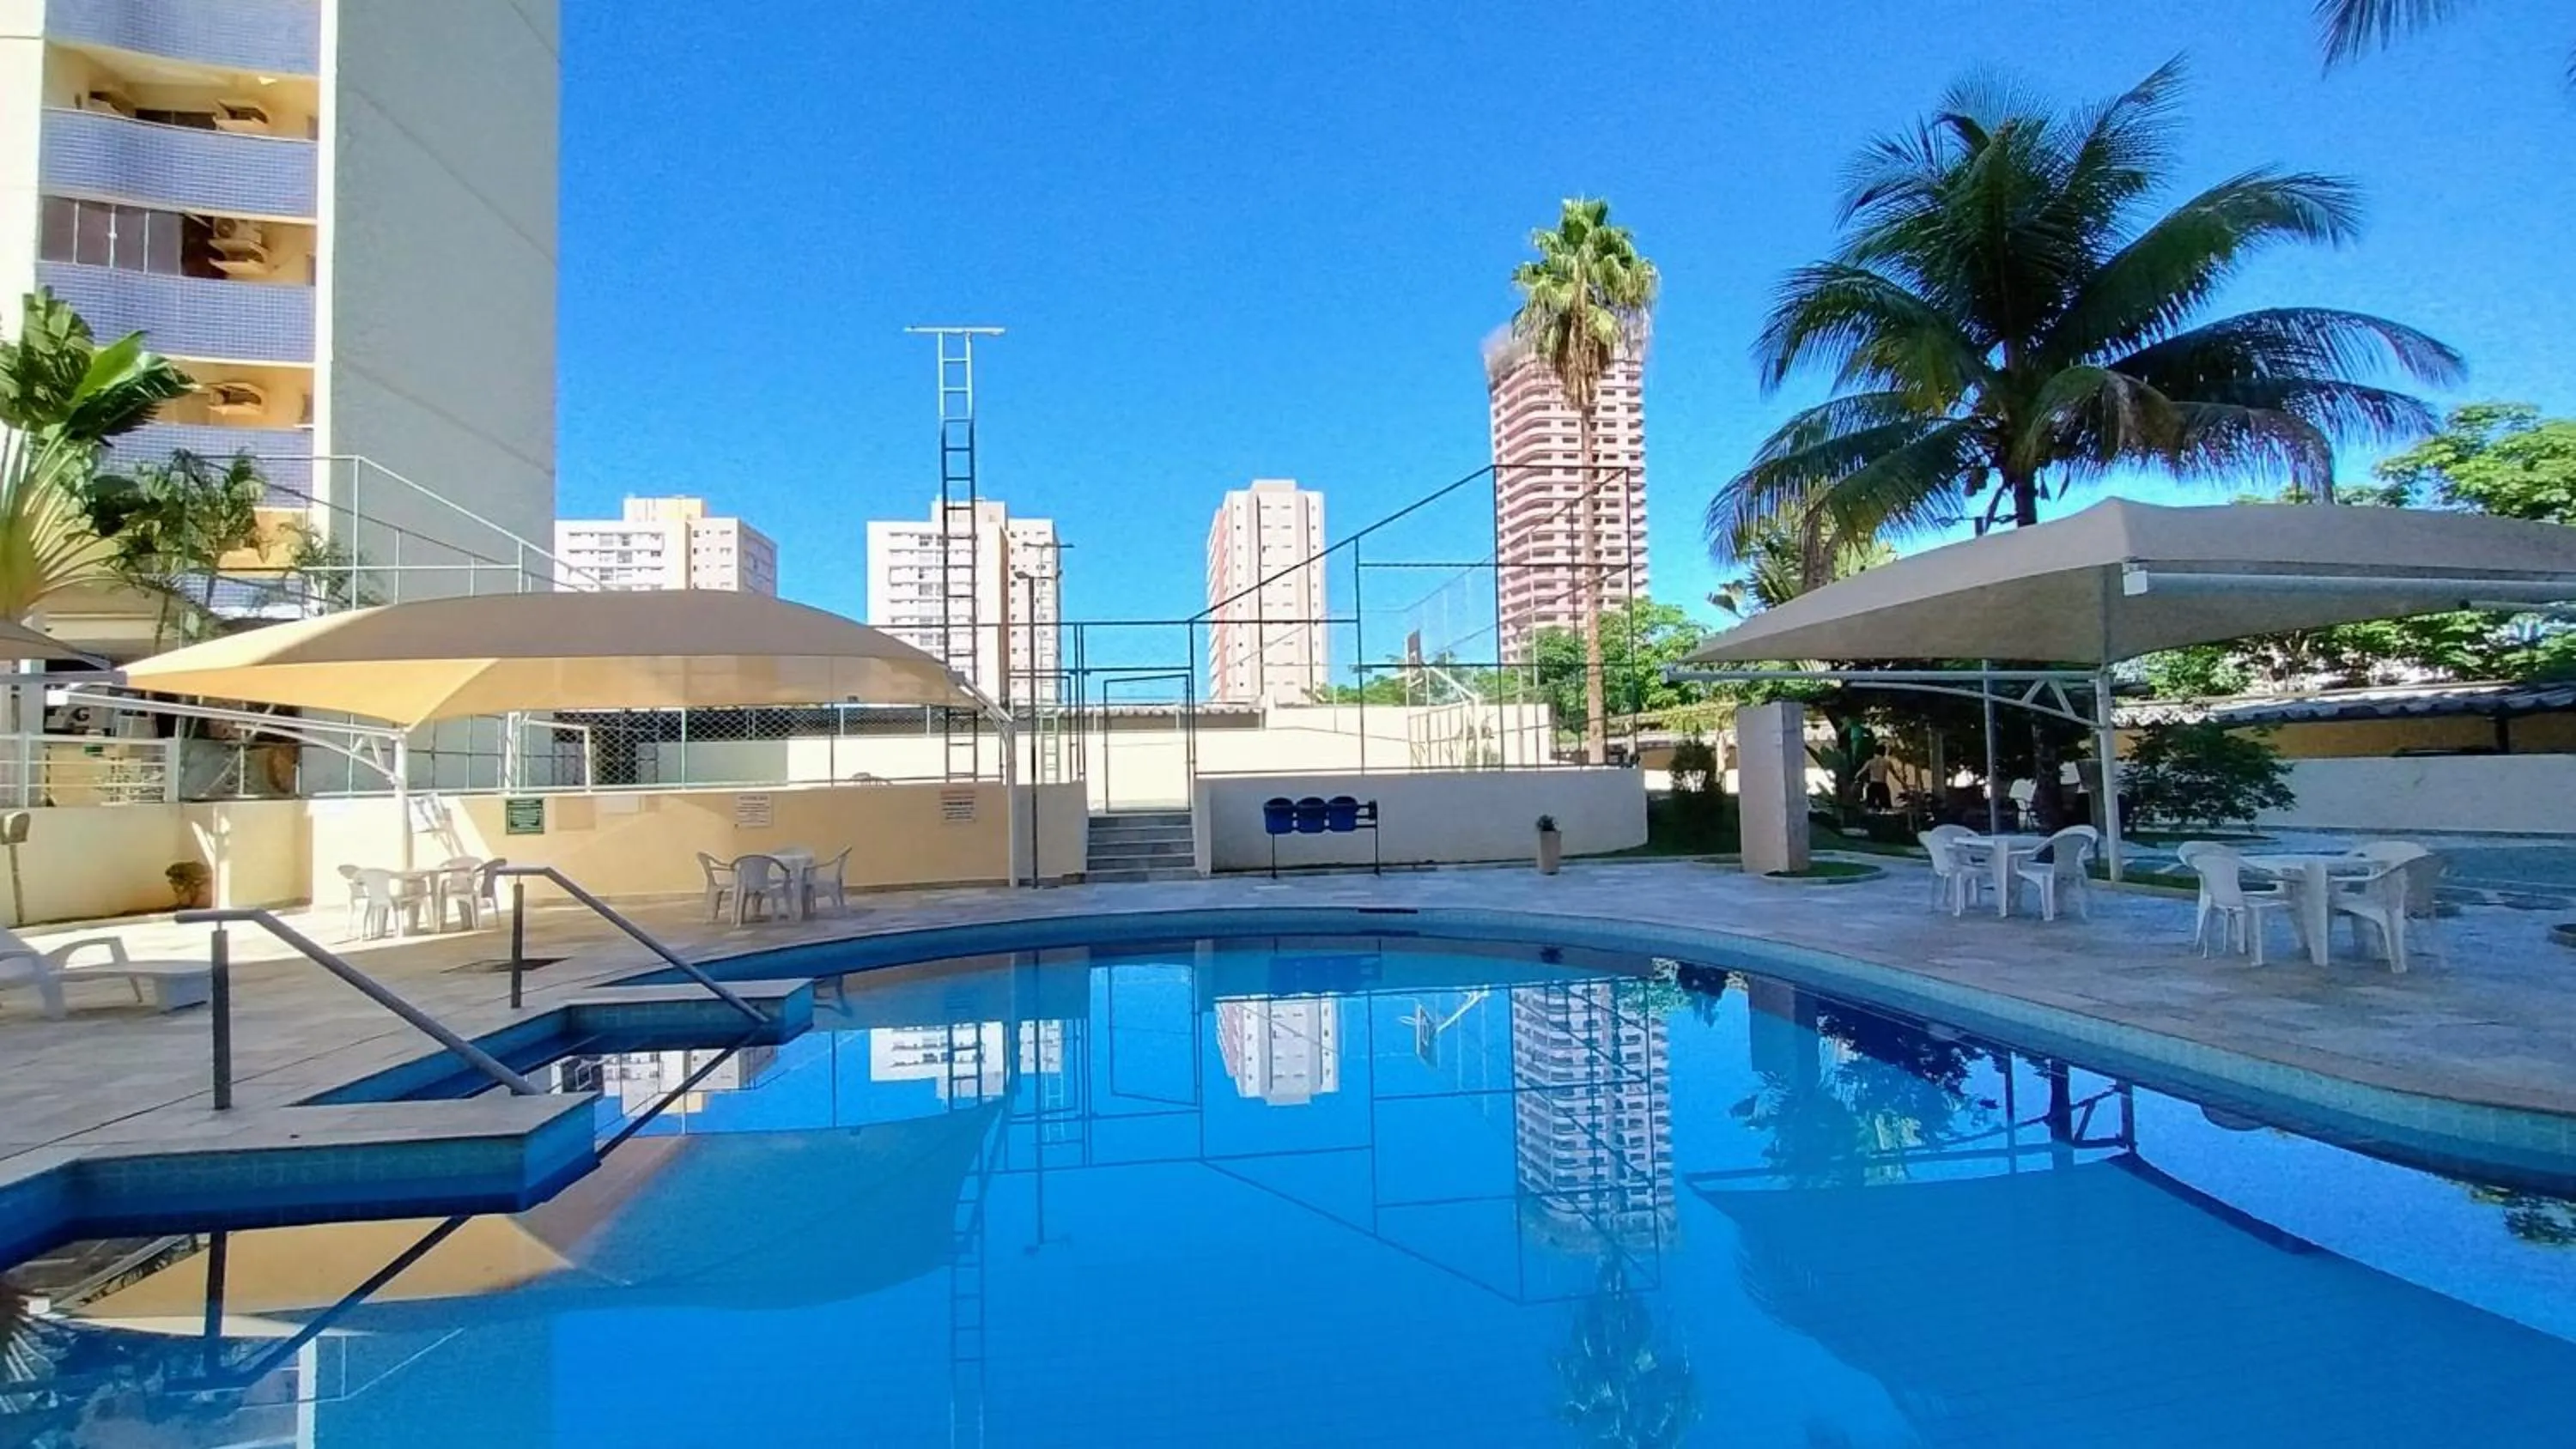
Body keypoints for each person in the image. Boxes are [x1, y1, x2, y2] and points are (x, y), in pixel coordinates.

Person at [1860, 743, 1895, 811]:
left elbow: (1861, 772)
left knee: (1870, 807)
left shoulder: (1870, 762)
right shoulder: (1887, 762)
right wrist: (1903, 783)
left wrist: (1855, 779)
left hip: (1873, 784)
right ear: (1884, 752)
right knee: (1885, 808)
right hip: (1882, 785)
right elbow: (1895, 774)